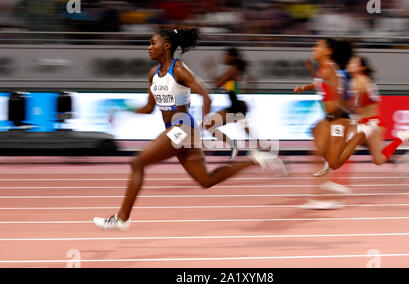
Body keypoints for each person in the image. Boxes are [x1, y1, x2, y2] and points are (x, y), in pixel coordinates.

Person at [93, 27, 284, 231]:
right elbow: (149, 108)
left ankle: (122, 218)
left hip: (183, 128)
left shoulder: (179, 69)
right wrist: (122, 108)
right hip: (178, 131)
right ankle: (255, 159)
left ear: (166, 46)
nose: (148, 47)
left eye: (152, 43)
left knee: (137, 162)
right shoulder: (153, 74)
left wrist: (200, 130)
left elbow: (207, 96)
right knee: (206, 180)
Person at [324, 56, 409, 170]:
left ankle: (401, 138)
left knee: (378, 160)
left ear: (361, 68)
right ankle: (397, 157)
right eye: (350, 62)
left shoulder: (361, 82)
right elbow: (352, 105)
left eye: (354, 63)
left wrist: (338, 95)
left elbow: (354, 105)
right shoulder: (356, 81)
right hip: (364, 122)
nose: (350, 64)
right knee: (353, 144)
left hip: (372, 124)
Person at [293, 38, 354, 209]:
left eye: (318, 46)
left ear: (328, 51)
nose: (314, 48)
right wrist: (304, 87)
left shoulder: (330, 69)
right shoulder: (324, 68)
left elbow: (334, 89)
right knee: (317, 152)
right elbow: (319, 83)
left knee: (319, 153)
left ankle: (329, 190)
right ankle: (325, 192)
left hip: (336, 117)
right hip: (331, 118)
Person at [203, 47, 251, 161]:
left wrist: (211, 69)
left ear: (232, 57)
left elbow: (218, 83)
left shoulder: (233, 70)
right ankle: (263, 152)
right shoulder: (235, 70)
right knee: (250, 136)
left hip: (235, 107)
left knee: (209, 125)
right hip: (237, 106)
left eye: (226, 55)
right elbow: (225, 84)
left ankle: (234, 145)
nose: (224, 57)